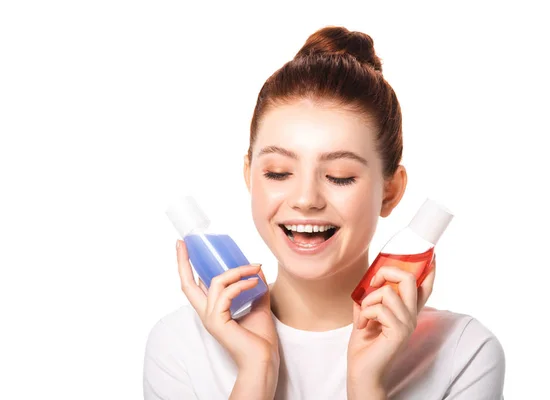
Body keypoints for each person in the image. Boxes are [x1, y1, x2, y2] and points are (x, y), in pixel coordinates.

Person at [143, 26, 505, 400]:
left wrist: (366, 383)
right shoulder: (179, 347)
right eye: (278, 173)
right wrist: (257, 370)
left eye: (339, 177)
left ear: (391, 191)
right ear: (250, 178)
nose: (305, 198)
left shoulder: (462, 354)